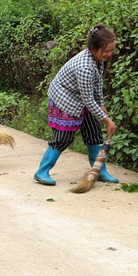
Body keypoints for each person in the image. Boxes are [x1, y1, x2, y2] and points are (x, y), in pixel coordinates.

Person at [34, 24, 119, 185]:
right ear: (93, 49)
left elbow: (97, 83)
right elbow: (88, 99)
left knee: (94, 134)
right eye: (106, 50)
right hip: (65, 99)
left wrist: (101, 104)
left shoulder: (98, 59)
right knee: (63, 138)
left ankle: (99, 171)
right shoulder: (84, 67)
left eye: (111, 50)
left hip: (81, 97)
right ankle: (42, 171)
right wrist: (107, 120)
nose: (109, 54)